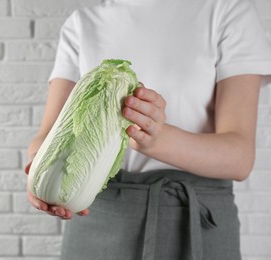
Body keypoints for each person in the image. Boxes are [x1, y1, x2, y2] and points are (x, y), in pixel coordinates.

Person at [25, 0, 271, 259]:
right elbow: (49, 134)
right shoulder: (82, 23)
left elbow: (240, 158)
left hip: (196, 221)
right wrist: (38, 172)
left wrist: (156, 140)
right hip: (98, 219)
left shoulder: (227, 11)